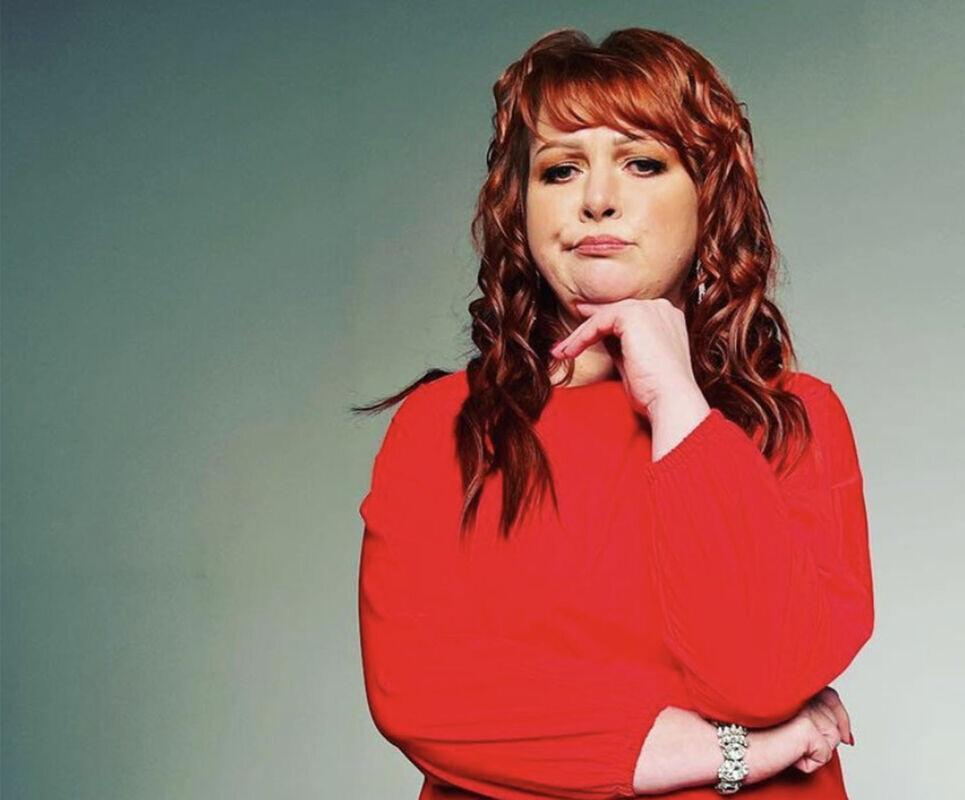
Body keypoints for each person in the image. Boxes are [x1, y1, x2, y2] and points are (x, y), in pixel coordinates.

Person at [354, 27, 874, 800]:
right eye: (561, 169)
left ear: (709, 195)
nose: (597, 198)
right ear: (520, 209)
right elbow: (422, 694)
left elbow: (762, 676)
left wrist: (677, 404)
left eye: (642, 163)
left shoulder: (795, 420)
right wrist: (741, 750)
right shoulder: (440, 428)